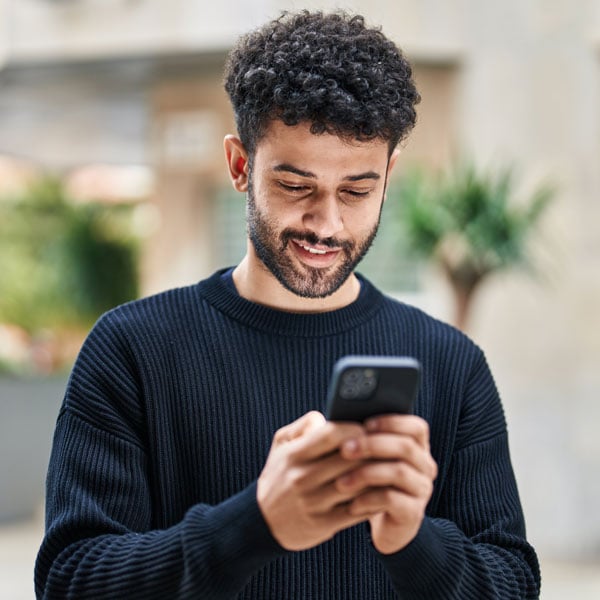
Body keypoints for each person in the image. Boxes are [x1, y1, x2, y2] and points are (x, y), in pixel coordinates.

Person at [34, 10, 540, 600]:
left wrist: (412, 540)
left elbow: (513, 585)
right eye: (295, 186)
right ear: (240, 165)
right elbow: (70, 581)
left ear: (389, 175)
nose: (326, 225)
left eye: (357, 190)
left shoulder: (452, 364)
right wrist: (254, 525)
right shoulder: (131, 350)